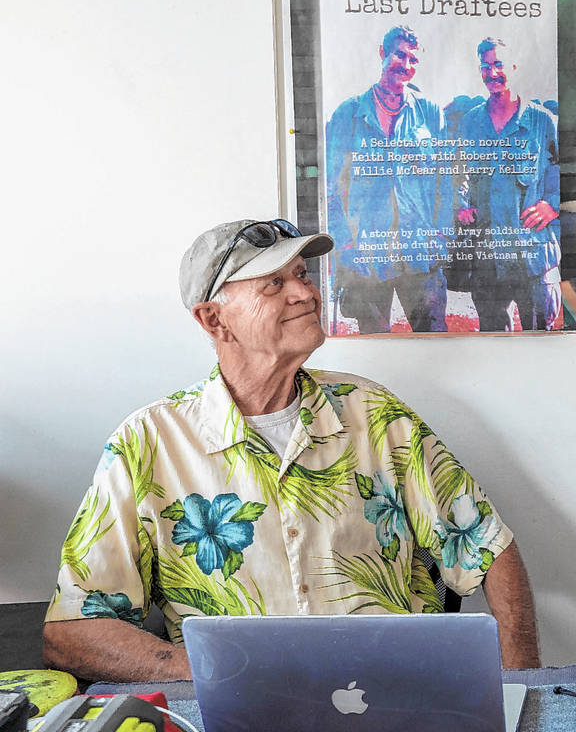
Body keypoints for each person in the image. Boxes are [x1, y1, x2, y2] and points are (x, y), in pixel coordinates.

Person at [43, 219, 539, 681]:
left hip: (391, 695)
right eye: (273, 284)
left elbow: (490, 547)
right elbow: (71, 632)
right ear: (214, 320)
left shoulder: (373, 413)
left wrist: (526, 687)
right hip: (241, 712)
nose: (306, 292)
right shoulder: (148, 444)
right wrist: (207, 672)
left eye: (302, 275)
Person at [325, 25, 451, 334]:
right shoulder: (349, 113)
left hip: (421, 253)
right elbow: (329, 188)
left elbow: (445, 184)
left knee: (434, 341)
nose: (405, 65)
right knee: (374, 344)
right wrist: (345, 243)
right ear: (383, 53)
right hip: (367, 254)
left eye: (413, 59)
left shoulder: (429, 113)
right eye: (399, 55)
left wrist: (441, 235)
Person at [456, 38, 562, 332]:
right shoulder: (470, 123)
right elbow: (460, 175)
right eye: (486, 66)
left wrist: (552, 205)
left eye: (499, 64)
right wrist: (462, 205)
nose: (492, 72)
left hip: (533, 253)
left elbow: (564, 173)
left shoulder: (543, 122)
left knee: (541, 338)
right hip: (488, 255)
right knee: (493, 341)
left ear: (515, 66)